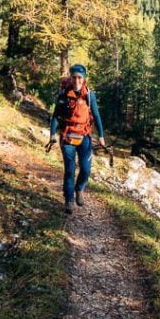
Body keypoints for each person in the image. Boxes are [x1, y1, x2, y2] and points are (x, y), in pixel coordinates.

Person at [45, 63, 108, 213]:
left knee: (86, 169)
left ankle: (79, 189)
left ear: (84, 78)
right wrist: (52, 135)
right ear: (70, 78)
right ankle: (69, 201)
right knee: (70, 170)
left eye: (80, 78)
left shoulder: (89, 95)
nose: (77, 81)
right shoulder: (63, 95)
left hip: (85, 136)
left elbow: (97, 115)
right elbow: (56, 117)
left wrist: (101, 136)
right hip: (67, 136)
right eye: (74, 77)